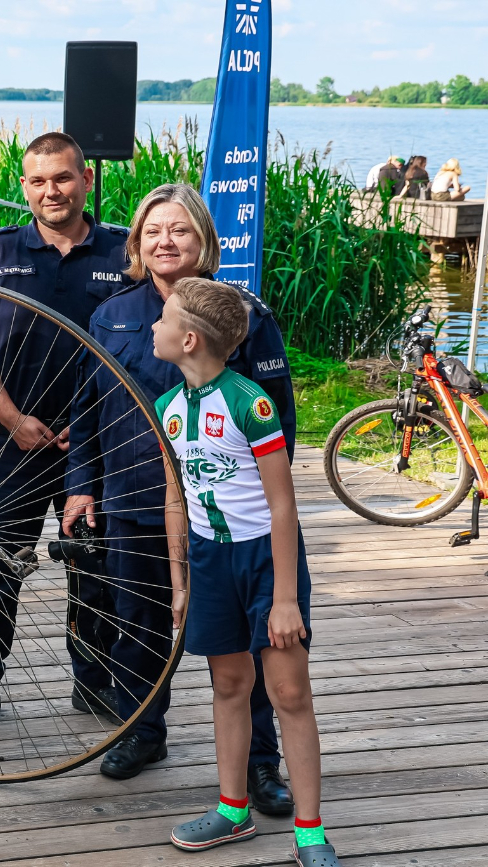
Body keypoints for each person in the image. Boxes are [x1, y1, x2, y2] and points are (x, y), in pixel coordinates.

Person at [64, 184, 296, 809]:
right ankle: (142, 733)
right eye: (152, 231)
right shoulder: (111, 315)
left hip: (226, 515)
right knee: (136, 625)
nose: (165, 242)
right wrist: (81, 486)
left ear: (204, 240)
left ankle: (261, 763)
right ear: (136, 244)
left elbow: (279, 421)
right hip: (133, 498)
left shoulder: (243, 315)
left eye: (180, 230)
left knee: (246, 641)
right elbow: (86, 411)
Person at [0, 131, 131, 734]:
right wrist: (10, 417)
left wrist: (96, 425)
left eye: (64, 178)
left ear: (86, 181)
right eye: (39, 181)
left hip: (94, 446)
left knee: (94, 567)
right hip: (13, 440)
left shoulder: (123, 252)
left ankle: (93, 681)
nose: (52, 191)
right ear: (24, 187)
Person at [155, 278, 341, 867]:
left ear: (189, 339)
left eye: (163, 319)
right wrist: (180, 582)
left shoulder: (250, 403)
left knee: (289, 692)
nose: (154, 327)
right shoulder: (166, 408)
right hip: (210, 561)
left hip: (265, 559)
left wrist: (284, 598)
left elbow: (283, 505)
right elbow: (176, 497)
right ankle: (232, 809)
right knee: (230, 684)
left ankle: (309, 831)